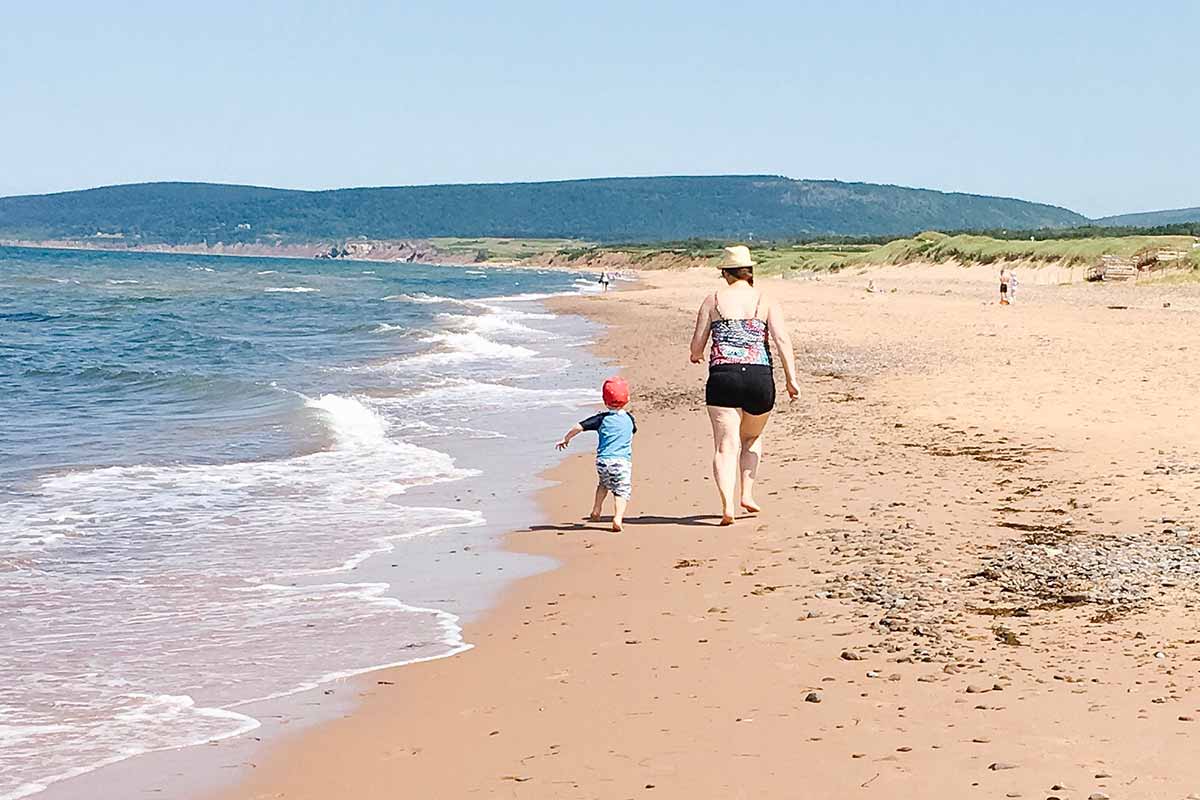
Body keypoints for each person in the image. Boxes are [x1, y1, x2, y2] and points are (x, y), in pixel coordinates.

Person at [690, 245, 800, 525]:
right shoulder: (765, 299)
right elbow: (782, 340)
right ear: (749, 272)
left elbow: (697, 345)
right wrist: (791, 379)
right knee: (751, 438)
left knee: (725, 446)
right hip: (759, 378)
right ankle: (747, 494)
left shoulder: (712, 300)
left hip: (723, 377)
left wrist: (696, 354)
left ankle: (728, 505)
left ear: (725, 273)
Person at [555, 376, 637, 532]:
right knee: (622, 490)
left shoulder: (601, 419)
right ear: (627, 399)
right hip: (621, 462)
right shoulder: (629, 419)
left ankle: (597, 509)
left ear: (605, 400)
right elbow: (633, 431)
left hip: (602, 462)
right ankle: (618, 518)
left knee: (603, 484)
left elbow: (579, 426)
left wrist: (566, 439)